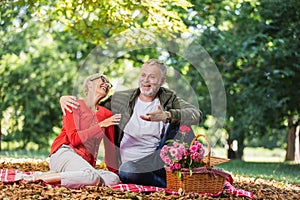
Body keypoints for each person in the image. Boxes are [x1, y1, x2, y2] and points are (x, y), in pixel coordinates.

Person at [60, 59, 202, 187]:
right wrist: (65, 99)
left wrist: (166, 115)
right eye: (143, 75)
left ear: (162, 81)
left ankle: (179, 174)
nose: (146, 80)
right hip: (132, 165)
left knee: (183, 124)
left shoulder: (168, 98)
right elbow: (91, 106)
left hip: (158, 159)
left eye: (152, 77)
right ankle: (173, 183)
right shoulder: (122, 99)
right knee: (127, 171)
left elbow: (196, 114)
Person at [33, 74, 121, 189]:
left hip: (84, 165)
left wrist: (115, 172)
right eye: (103, 80)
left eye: (109, 84)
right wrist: (101, 125)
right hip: (65, 153)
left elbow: (110, 149)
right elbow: (74, 139)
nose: (106, 84)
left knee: (113, 179)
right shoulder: (72, 104)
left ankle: (63, 176)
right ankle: (39, 179)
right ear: (89, 84)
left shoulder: (107, 115)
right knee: (92, 177)